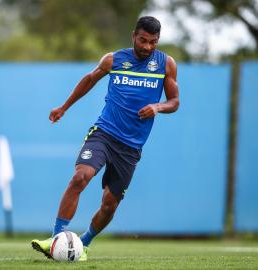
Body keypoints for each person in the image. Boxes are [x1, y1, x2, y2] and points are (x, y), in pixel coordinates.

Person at [31, 16, 179, 261]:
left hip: (131, 147)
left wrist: (157, 107)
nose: (147, 47)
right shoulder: (114, 59)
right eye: (142, 40)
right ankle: (56, 238)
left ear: (158, 41)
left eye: (153, 42)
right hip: (104, 134)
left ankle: (84, 243)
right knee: (80, 177)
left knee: (110, 204)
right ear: (134, 35)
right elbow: (90, 79)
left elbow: (175, 102)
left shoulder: (166, 64)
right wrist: (64, 107)